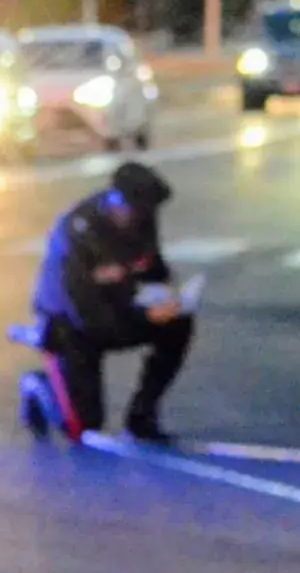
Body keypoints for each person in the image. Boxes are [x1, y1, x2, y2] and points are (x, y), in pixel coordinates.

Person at [29, 161, 194, 442]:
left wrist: (168, 297)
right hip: (70, 322)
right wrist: (146, 317)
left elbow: (152, 266)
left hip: (117, 307)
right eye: (138, 212)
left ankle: (142, 416)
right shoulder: (79, 230)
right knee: (84, 429)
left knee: (178, 325)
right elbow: (85, 312)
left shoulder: (141, 218)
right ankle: (39, 387)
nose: (144, 220)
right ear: (118, 202)